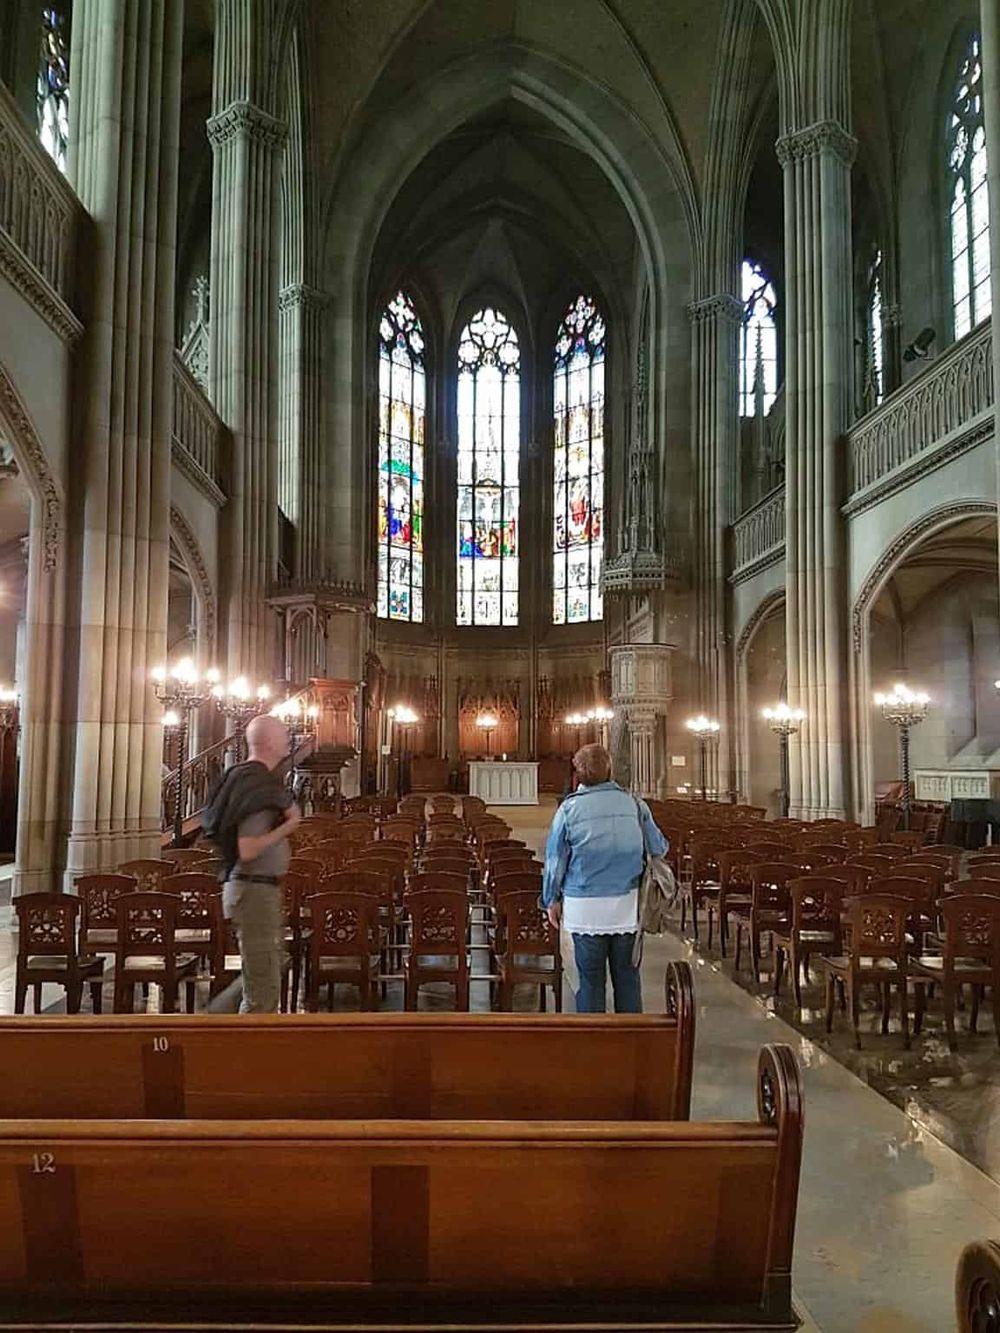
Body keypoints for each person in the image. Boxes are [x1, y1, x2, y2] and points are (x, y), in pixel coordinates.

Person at [541, 742, 667, 1014]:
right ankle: (631, 1041)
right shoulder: (634, 804)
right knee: (628, 978)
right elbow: (658, 847)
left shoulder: (569, 810)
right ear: (610, 771)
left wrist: (551, 899)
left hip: (585, 907)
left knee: (590, 981)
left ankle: (594, 1043)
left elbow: (555, 860)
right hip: (628, 905)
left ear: (578, 774)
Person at [202, 714, 300, 1013]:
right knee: (263, 990)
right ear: (269, 742)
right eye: (284, 733)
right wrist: (290, 823)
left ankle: (213, 1018)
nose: (289, 738)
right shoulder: (256, 786)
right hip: (253, 890)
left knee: (266, 966)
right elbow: (247, 848)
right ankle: (239, 1041)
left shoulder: (248, 779)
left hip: (254, 890)